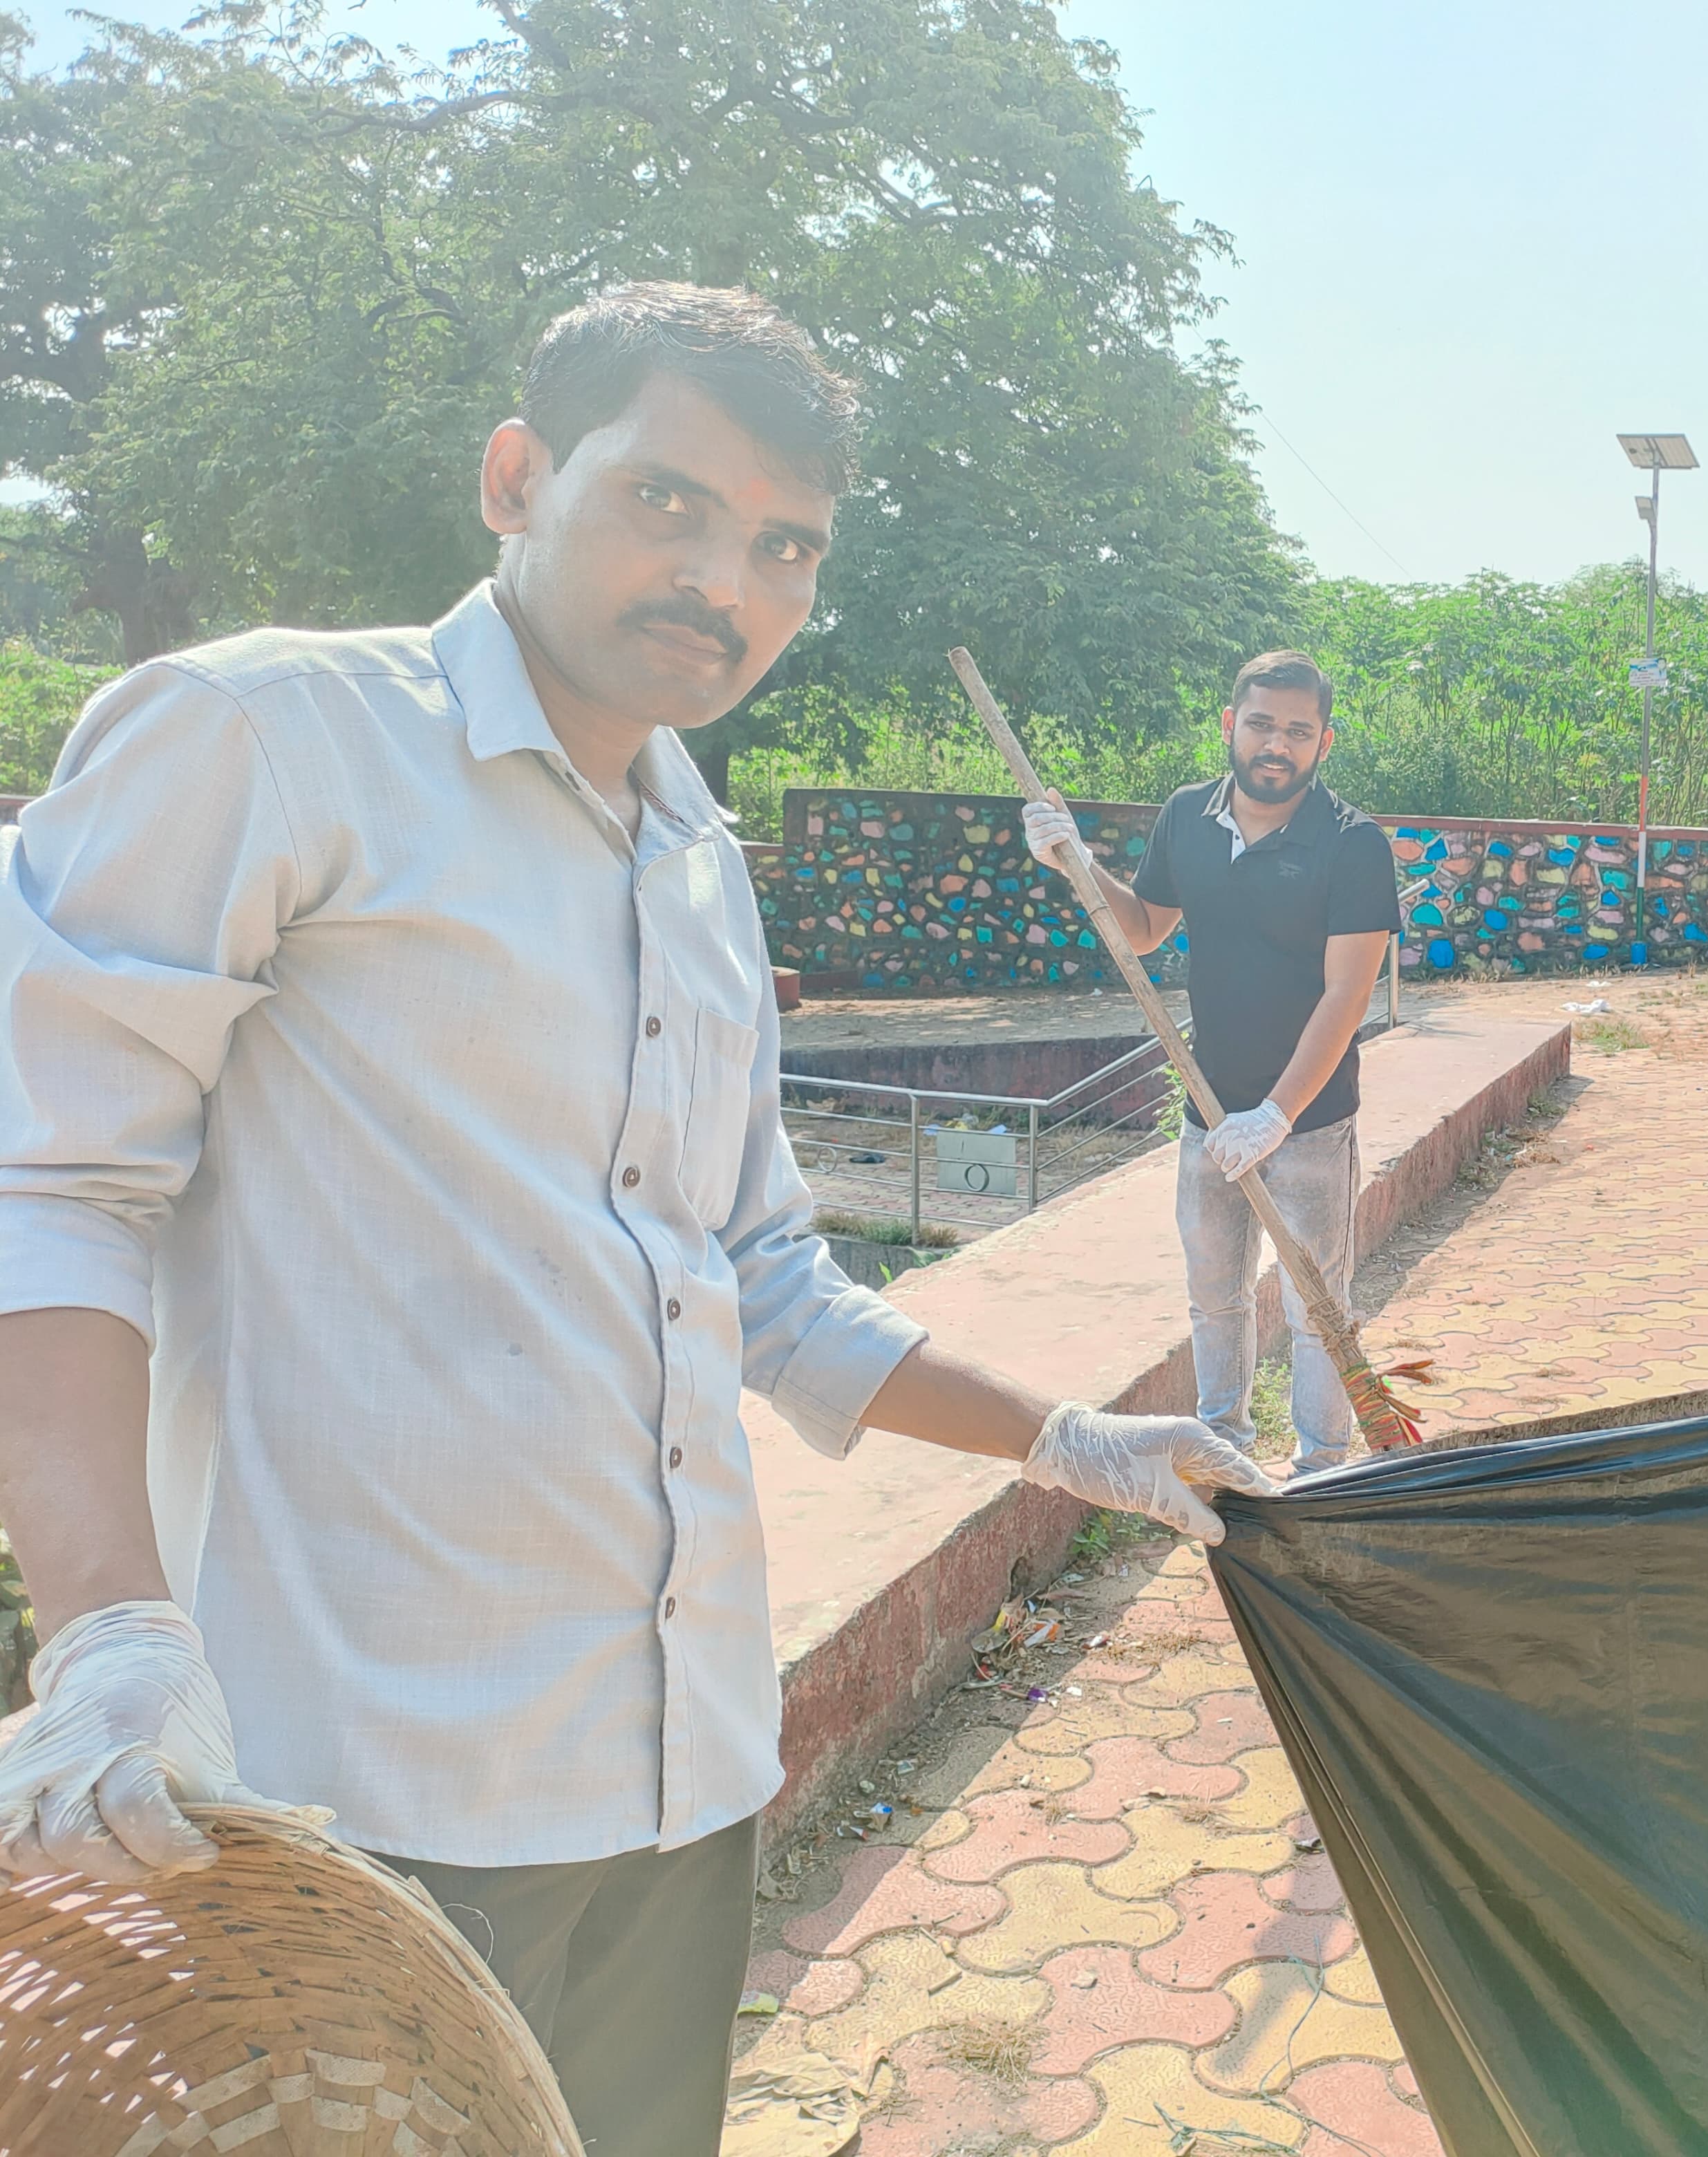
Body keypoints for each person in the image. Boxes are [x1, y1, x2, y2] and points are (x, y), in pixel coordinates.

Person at [0, 283, 1273, 2156]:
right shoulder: (268, 741)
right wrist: (106, 1630)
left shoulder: (699, 864)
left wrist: (1067, 1438)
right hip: (367, 1797)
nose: (722, 580)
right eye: (667, 501)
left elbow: (760, 1276)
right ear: (518, 476)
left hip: (680, 1767)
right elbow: (53, 1187)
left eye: (783, 546)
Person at [1024, 655, 1398, 1475]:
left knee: (1316, 1307)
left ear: (1324, 742)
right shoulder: (1186, 816)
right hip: (1208, 1112)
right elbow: (1144, 928)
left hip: (1308, 1122)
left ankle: (1322, 1467)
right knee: (1214, 1299)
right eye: (1261, 724)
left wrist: (1276, 1115)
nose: (1277, 745)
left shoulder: (1352, 844)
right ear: (1230, 724)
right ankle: (1223, 1455)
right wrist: (1075, 862)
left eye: (1297, 730)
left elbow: (1346, 994)